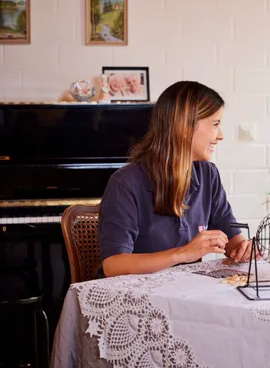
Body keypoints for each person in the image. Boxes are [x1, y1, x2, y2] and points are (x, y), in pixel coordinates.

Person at [98, 81, 252, 277]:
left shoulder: (208, 174)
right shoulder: (125, 183)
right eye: (215, 124)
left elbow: (231, 237)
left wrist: (243, 248)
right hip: (136, 297)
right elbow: (113, 266)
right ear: (185, 127)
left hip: (185, 293)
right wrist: (183, 254)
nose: (220, 135)